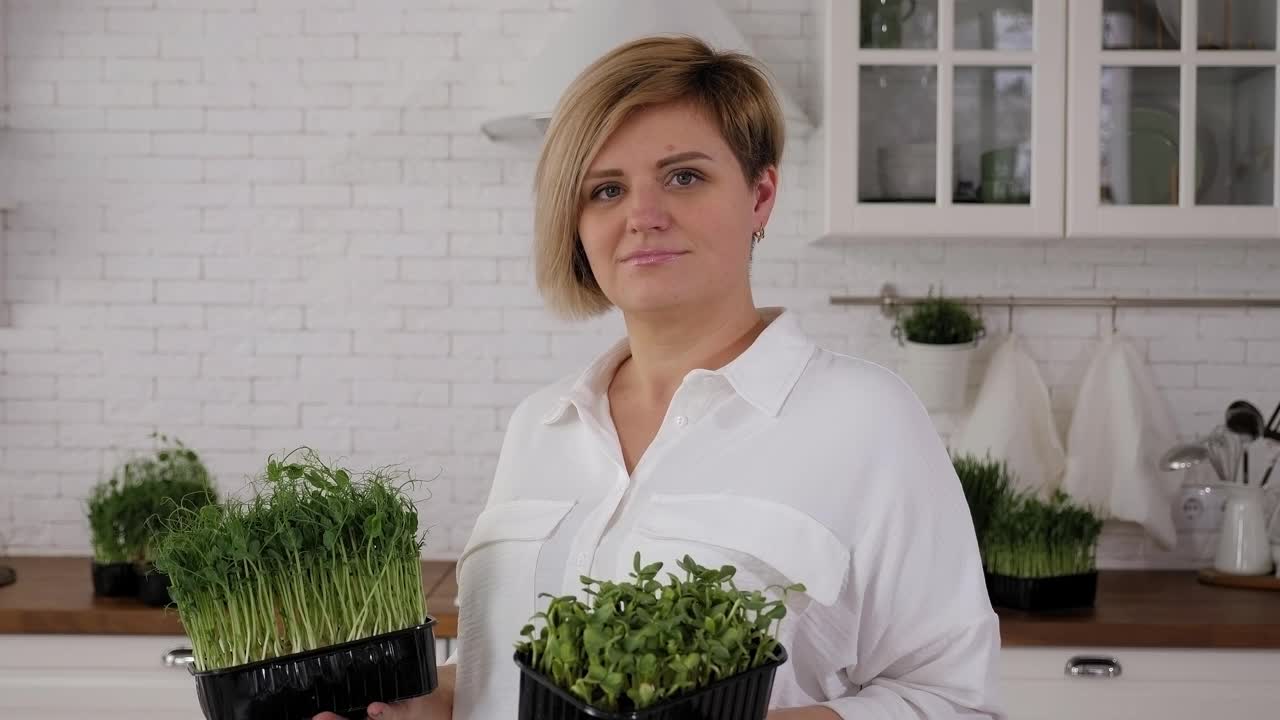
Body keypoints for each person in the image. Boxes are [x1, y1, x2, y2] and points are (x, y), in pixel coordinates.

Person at [319, 34, 1004, 720]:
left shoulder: (867, 419)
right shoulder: (540, 424)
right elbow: (494, 674)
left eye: (683, 176)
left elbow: (953, 701)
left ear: (761, 194)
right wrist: (430, 706)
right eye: (606, 189)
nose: (642, 216)